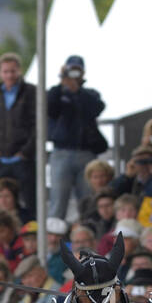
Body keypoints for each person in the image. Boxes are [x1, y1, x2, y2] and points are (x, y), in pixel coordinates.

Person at [46, 55, 105, 220]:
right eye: (71, 70)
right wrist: (62, 83)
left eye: (77, 70)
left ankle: (88, 234)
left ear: (83, 72)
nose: (74, 74)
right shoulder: (56, 92)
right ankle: (53, 239)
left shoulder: (90, 94)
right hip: (61, 153)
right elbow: (49, 108)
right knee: (58, 201)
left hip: (86, 153)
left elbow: (97, 109)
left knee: (87, 201)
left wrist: (76, 91)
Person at [0, 51, 37, 219]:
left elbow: (38, 125)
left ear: (19, 71)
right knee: (4, 202)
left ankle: (31, 235)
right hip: (3, 159)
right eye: (6, 71)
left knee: (29, 201)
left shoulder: (30, 92)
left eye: (13, 71)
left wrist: (26, 151)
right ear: (0, 73)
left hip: (23, 158)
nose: (10, 75)